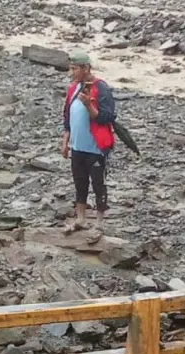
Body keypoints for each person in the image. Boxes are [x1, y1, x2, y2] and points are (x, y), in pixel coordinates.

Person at [61, 50, 117, 234]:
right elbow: (67, 117)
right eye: (70, 69)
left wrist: (88, 105)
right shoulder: (73, 88)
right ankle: (81, 219)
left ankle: (99, 223)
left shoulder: (101, 88)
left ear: (86, 68)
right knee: (80, 182)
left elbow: (108, 117)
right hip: (77, 146)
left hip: (95, 148)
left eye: (74, 69)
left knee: (98, 183)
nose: (71, 73)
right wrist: (65, 141)